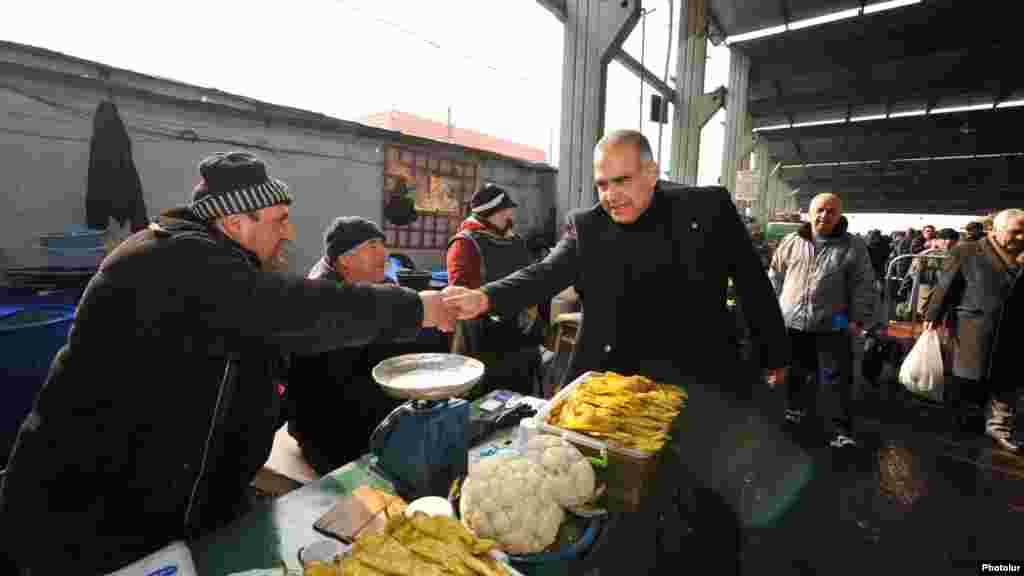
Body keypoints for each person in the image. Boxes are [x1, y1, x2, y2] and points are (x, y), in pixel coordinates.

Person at [0, 152, 454, 574]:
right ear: (236, 223)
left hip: (174, 502)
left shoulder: (218, 267)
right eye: (279, 220)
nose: (289, 232)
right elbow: (292, 309)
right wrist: (416, 308)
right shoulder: (172, 260)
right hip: (89, 512)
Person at [443, 130, 791, 575]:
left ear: (652, 173)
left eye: (622, 181)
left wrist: (774, 355)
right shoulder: (588, 226)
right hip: (613, 392)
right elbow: (545, 274)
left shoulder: (706, 208)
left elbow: (752, 284)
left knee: (705, 504)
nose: (611, 195)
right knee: (617, 507)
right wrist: (484, 298)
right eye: (602, 184)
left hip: (701, 382)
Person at [286, 217, 438, 476]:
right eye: (372, 245)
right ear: (345, 260)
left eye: (382, 244)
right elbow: (345, 381)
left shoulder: (363, 288)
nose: (384, 252)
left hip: (354, 409)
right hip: (328, 431)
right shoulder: (324, 302)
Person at [769, 193, 875, 448]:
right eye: (819, 210)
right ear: (809, 212)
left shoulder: (853, 246)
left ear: (839, 215)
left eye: (831, 211)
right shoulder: (792, 241)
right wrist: (772, 310)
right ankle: (795, 408)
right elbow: (775, 274)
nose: (824, 216)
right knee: (795, 369)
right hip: (792, 319)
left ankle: (841, 429)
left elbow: (864, 285)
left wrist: (857, 320)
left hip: (834, 321)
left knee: (836, 377)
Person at [924, 209, 1024, 451]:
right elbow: (946, 286)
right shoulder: (967, 251)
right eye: (1016, 232)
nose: (1021, 237)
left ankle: (999, 426)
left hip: (1015, 327)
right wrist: (933, 316)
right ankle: (962, 424)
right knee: (968, 377)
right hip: (973, 327)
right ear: (995, 231)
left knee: (1008, 379)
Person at [446, 183, 545, 398]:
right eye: (504, 209)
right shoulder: (465, 244)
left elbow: (529, 279)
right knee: (483, 405)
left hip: (518, 338)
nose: (509, 214)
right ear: (491, 213)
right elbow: (460, 298)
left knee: (518, 401)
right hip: (482, 342)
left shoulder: (515, 241)